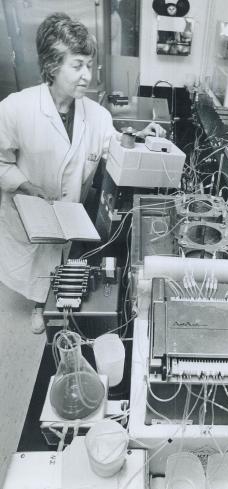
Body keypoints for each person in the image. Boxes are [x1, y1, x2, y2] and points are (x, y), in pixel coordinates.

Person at [0, 12, 166, 334]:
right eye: (77, 66)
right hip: (28, 212)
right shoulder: (14, 109)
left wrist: (145, 136)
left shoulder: (97, 115)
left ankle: (53, 299)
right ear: (51, 66)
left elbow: (115, 146)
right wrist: (25, 185)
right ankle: (40, 302)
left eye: (89, 65)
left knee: (64, 257)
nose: (86, 76)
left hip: (68, 214)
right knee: (37, 262)